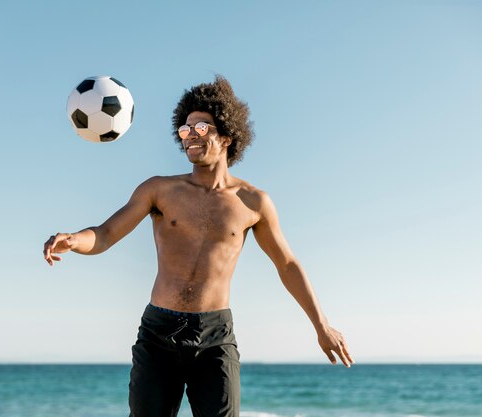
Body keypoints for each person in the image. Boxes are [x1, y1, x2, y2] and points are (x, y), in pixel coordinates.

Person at [43, 75, 354, 417]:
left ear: (227, 136)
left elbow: (287, 265)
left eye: (201, 128)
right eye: (185, 129)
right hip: (158, 335)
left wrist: (322, 326)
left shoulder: (253, 203)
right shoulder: (159, 190)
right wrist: (74, 239)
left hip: (215, 338)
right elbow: (104, 234)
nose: (190, 135)